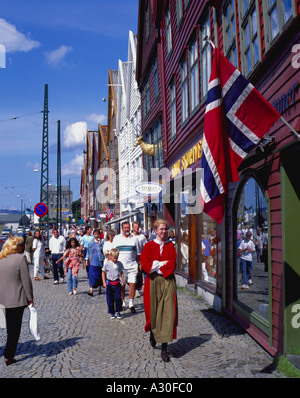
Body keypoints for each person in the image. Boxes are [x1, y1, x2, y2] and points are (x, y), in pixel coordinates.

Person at [140, 219, 178, 362]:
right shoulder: (149, 246)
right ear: (155, 230)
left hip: (168, 281)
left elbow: (172, 264)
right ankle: (153, 332)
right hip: (152, 282)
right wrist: (161, 263)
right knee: (153, 311)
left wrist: (157, 264)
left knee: (168, 314)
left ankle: (164, 348)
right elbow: (145, 263)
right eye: (161, 229)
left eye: (165, 229)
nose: (164, 232)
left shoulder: (171, 246)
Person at [0, 236, 34, 366]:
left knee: (7, 326)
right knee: (14, 329)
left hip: (2, 300)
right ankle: (8, 355)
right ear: (17, 246)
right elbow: (26, 280)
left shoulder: (1, 259)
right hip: (16, 299)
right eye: (22, 245)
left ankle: (8, 352)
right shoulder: (20, 258)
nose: (23, 247)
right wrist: (30, 298)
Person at [112, 221, 141, 313]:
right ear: (122, 229)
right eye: (125, 228)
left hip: (132, 265)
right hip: (121, 267)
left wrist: (140, 264)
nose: (127, 229)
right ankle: (123, 302)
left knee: (133, 284)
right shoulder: (117, 238)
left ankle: (131, 304)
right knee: (122, 285)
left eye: (128, 227)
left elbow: (138, 253)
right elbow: (113, 252)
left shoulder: (135, 239)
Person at [102, 248, 124, 319]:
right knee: (110, 298)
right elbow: (103, 272)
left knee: (118, 297)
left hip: (117, 282)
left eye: (116, 258)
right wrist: (104, 282)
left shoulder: (119, 264)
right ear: (110, 256)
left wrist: (122, 281)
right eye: (114, 258)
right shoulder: (107, 264)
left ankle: (118, 311)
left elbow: (122, 272)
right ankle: (112, 312)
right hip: (109, 283)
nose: (115, 259)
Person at [86, 229, 105, 296]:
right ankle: (91, 289)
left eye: (97, 234)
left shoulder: (103, 241)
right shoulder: (91, 243)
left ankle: (100, 288)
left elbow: (104, 250)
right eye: (95, 234)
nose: (96, 236)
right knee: (92, 275)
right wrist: (86, 259)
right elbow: (88, 252)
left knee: (99, 275)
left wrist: (100, 244)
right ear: (93, 235)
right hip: (92, 261)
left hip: (100, 261)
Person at [132, 221, 147, 297]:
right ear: (132, 228)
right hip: (133, 257)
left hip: (141, 256)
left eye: (138, 226)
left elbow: (145, 247)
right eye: (135, 226)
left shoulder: (142, 237)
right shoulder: (131, 236)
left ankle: (139, 288)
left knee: (140, 273)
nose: (137, 228)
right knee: (135, 274)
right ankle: (135, 289)